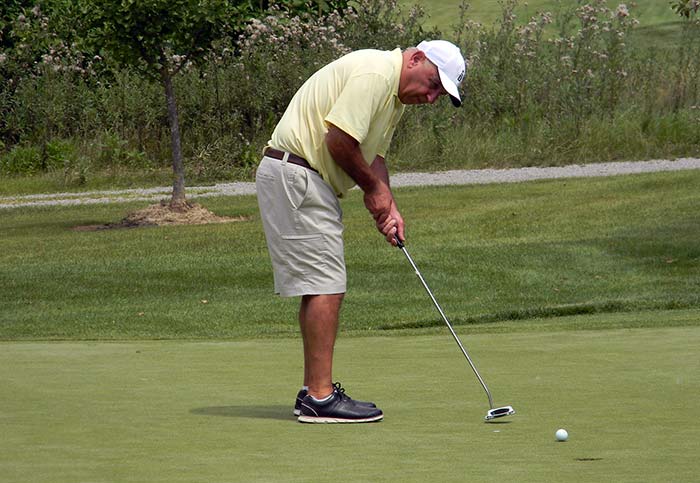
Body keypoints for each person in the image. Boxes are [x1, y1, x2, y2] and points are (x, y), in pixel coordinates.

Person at [255, 40, 466, 423]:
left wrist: (388, 203)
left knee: (323, 283)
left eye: (440, 93)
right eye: (433, 84)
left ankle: (313, 392)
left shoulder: (393, 97)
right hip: (299, 173)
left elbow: (374, 157)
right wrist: (371, 189)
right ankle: (319, 398)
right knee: (326, 285)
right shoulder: (374, 74)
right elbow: (338, 141)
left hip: (304, 176)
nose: (432, 97)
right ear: (416, 59)